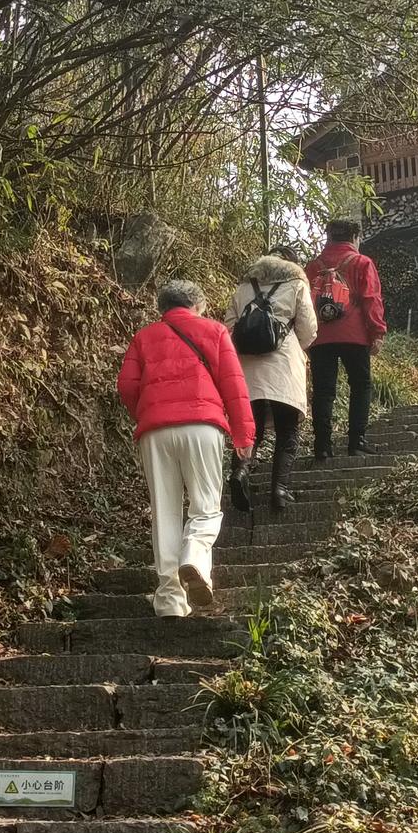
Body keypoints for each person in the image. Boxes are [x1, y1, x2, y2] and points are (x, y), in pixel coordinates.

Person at [117, 280, 255, 617]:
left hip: (155, 432)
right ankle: (193, 556)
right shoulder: (215, 331)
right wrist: (244, 435)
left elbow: (126, 385)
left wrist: (148, 413)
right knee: (205, 506)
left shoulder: (144, 336)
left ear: (161, 308)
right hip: (202, 425)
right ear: (199, 304)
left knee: (164, 512)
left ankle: (169, 600)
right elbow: (233, 385)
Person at [224, 247, 317, 512]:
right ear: (291, 264)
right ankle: (280, 491)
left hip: (248, 368)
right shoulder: (297, 284)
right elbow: (308, 331)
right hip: (284, 367)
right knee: (288, 431)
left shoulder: (244, 287)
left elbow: (229, 326)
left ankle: (241, 471)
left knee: (251, 428)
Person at [305, 219, 387, 458]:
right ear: (355, 238)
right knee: (360, 386)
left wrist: (306, 337)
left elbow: (304, 304)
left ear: (328, 238)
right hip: (355, 334)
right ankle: (357, 441)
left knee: (323, 390)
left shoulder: (312, 266)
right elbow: (371, 298)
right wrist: (377, 331)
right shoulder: (361, 262)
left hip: (321, 337)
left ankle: (322, 446)